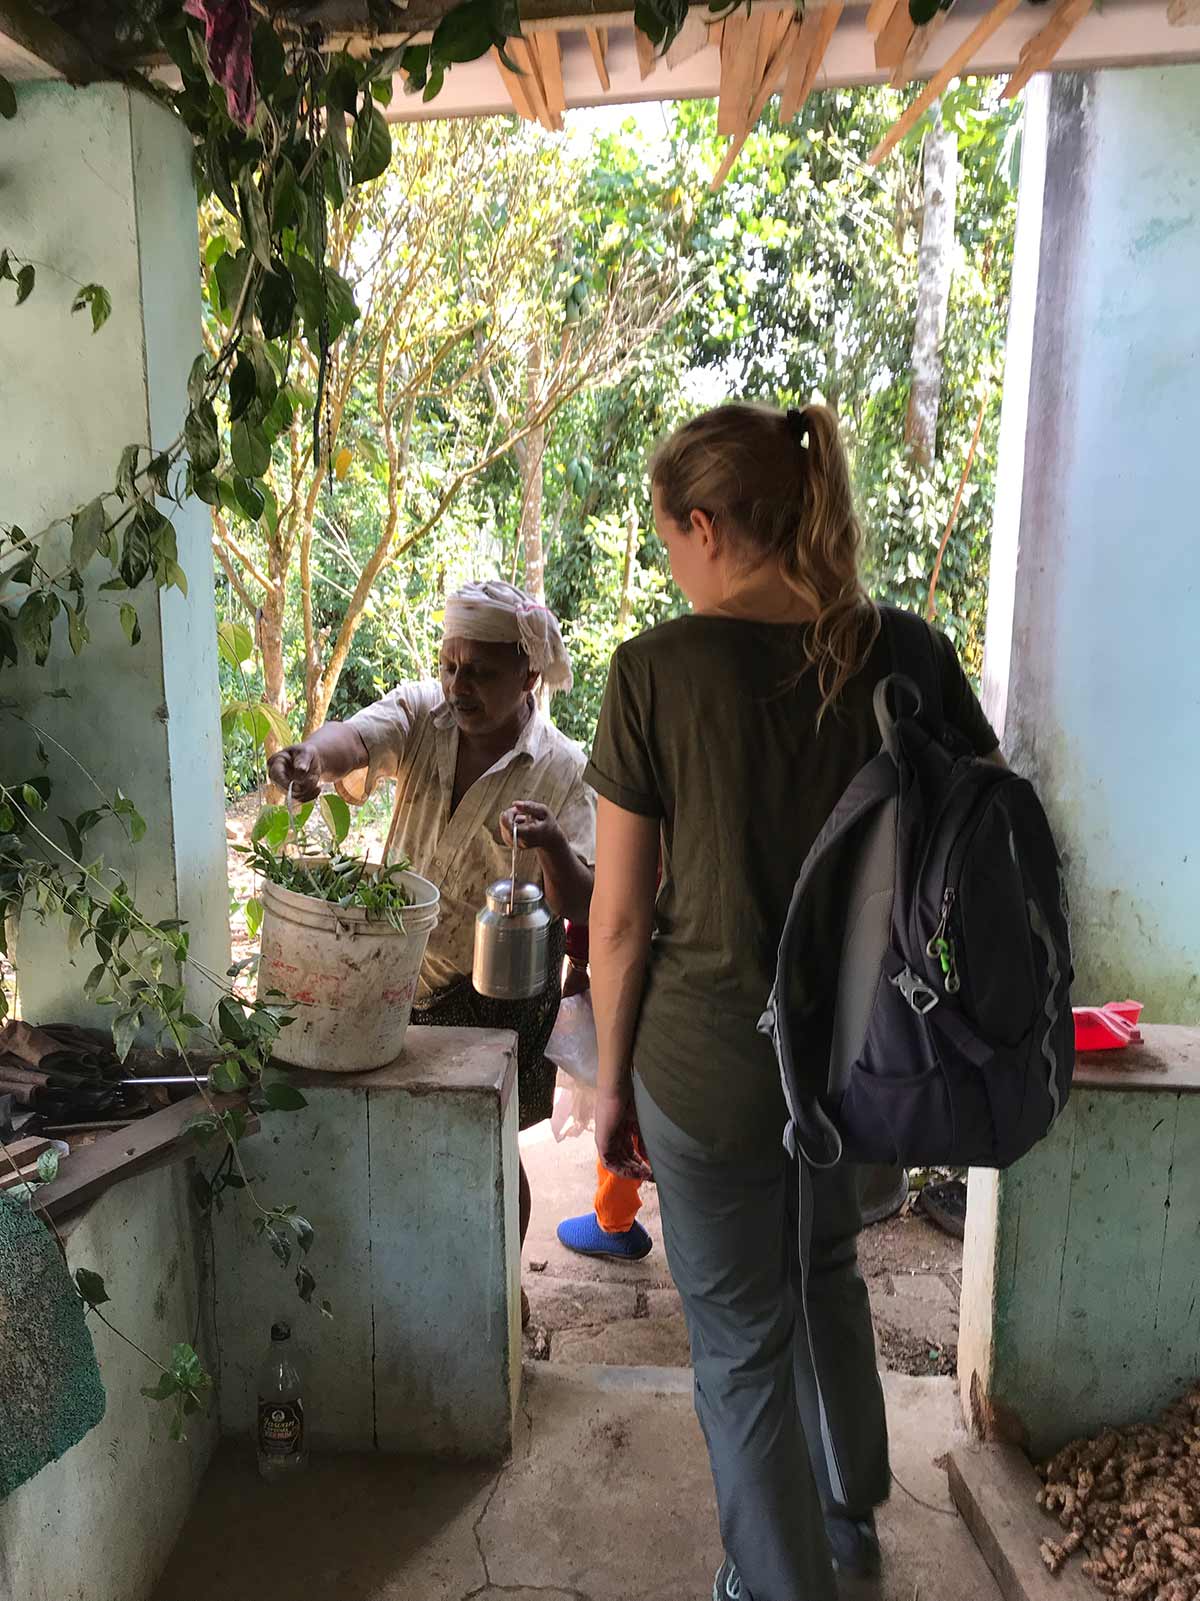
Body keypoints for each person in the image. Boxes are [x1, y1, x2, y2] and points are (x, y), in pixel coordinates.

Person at [584, 402, 1001, 1601]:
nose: (672, 561)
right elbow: (980, 833)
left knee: (739, 1342)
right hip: (872, 1060)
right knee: (824, 1271)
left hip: (707, 1066)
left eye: (669, 536)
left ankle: (777, 1584)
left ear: (706, 526)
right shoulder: (908, 653)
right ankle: (848, 1518)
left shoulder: (656, 672)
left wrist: (611, 1086)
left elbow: (618, 920)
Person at [267, 580, 596, 1313]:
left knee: (486, 1145)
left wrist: (547, 845)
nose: (458, 684)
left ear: (529, 674)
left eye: (479, 670)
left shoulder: (564, 768)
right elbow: (358, 736)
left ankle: (496, 1299)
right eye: (450, 665)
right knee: (407, 1134)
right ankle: (419, 1294)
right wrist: (311, 760)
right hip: (397, 973)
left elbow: (585, 900)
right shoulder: (423, 714)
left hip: (501, 990)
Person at [556, 921, 652, 1263]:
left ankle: (614, 1221)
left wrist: (579, 961)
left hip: (640, 975)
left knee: (625, 1102)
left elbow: (610, 907)